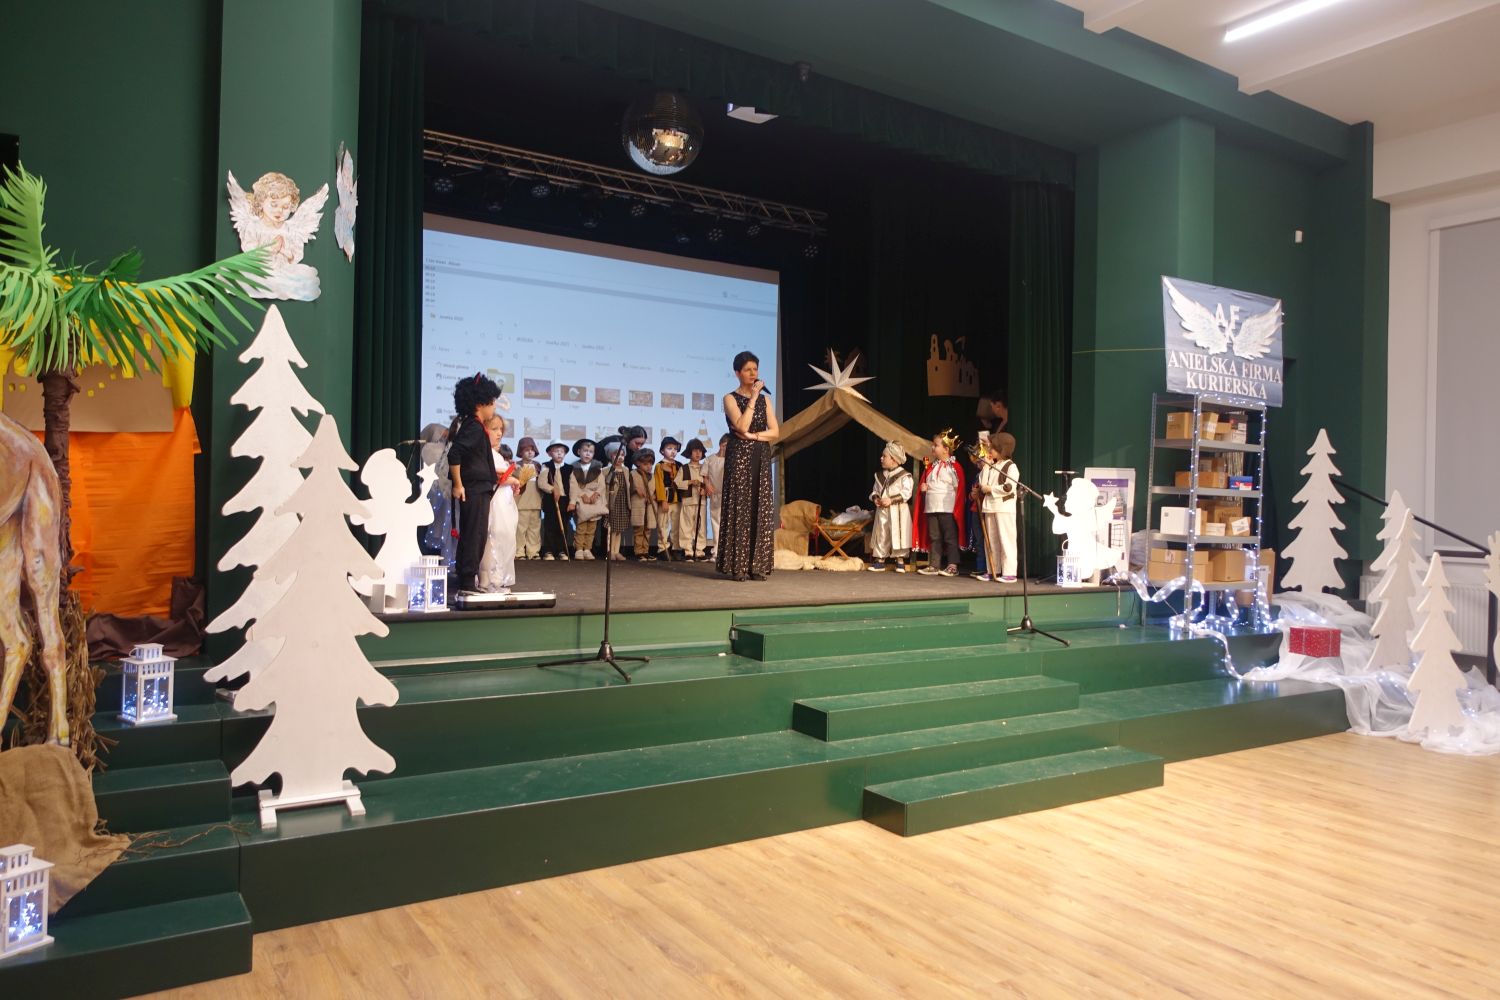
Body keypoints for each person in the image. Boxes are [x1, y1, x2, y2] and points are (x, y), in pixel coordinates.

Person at [716, 351, 778, 581]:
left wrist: (754, 437)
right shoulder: (730, 398)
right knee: (740, 508)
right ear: (737, 373)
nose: (753, 373)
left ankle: (756, 566)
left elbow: (775, 431)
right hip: (739, 457)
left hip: (760, 455)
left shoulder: (766, 400)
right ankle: (738, 566)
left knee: (759, 507)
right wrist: (752, 398)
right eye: (748, 370)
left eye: (755, 369)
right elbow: (741, 425)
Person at [447, 373, 501, 592]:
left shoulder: (474, 425)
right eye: (492, 402)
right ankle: (467, 581)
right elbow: (455, 454)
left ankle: (467, 580)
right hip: (474, 488)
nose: (494, 406)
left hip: (478, 487)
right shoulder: (474, 427)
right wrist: (458, 485)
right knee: (474, 535)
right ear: (480, 403)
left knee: (474, 534)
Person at [914, 429, 965, 577]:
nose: (933, 448)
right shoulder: (931, 467)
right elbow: (927, 484)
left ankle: (952, 565)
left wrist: (956, 507)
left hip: (947, 508)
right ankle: (934, 565)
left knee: (950, 537)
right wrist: (923, 489)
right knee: (934, 537)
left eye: (936, 445)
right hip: (931, 507)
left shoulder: (953, 468)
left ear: (946, 449)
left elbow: (959, 488)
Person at [478, 414, 520, 593]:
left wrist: (513, 484)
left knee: (504, 539)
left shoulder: (496, 454)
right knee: (493, 539)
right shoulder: (484, 454)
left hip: (504, 504)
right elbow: (494, 476)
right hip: (494, 505)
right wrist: (513, 480)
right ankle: (489, 581)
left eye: (501, 429)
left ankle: (497, 580)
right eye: (494, 429)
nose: (499, 433)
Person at [975, 431, 1019, 583]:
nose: (990, 450)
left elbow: (1009, 487)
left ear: (1002, 449)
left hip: (1004, 508)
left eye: (993, 448)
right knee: (991, 541)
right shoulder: (992, 466)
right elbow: (982, 483)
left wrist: (991, 489)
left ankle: (1010, 572)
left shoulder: (1011, 466)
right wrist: (986, 466)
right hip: (990, 507)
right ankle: (993, 570)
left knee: (1006, 540)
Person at [867, 441, 914, 573]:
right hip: (882, 510)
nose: (881, 458)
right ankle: (880, 560)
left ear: (893, 459)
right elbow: (875, 490)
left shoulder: (904, 475)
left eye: (884, 456)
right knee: (882, 532)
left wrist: (891, 500)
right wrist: (876, 498)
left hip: (898, 510)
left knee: (898, 532)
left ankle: (900, 560)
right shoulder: (879, 475)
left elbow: (907, 493)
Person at [675, 438, 711, 561]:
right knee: (686, 526)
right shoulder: (684, 468)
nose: (698, 453)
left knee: (701, 527)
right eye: (695, 451)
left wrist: (705, 490)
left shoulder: (705, 468)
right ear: (689, 452)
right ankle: (688, 551)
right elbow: (677, 483)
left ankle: (699, 551)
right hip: (688, 501)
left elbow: (709, 484)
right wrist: (690, 482)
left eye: (700, 451)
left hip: (701, 502)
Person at [570, 438, 605, 561]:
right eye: (585, 451)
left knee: (591, 527)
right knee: (581, 526)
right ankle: (579, 548)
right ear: (579, 452)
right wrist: (582, 494)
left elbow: (601, 485)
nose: (587, 454)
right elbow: (573, 485)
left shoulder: (598, 468)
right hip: (582, 500)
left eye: (590, 452)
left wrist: (596, 494)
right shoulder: (574, 468)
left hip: (594, 501)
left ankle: (587, 549)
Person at [539, 441, 575, 560]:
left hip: (565, 500)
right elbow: (541, 482)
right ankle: (548, 550)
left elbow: (574, 487)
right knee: (550, 525)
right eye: (556, 451)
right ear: (550, 453)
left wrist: (572, 502)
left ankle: (561, 550)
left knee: (563, 525)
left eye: (561, 451)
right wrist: (552, 489)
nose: (559, 453)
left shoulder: (570, 468)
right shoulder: (546, 466)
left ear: (565, 453)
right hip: (551, 500)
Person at [512, 437, 543, 559]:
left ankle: (533, 552)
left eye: (532, 450)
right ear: (520, 452)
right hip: (521, 503)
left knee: (534, 529)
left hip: (536, 503)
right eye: (526, 450)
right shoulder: (516, 466)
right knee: (520, 529)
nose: (530, 452)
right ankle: (519, 551)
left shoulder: (538, 466)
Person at [654, 436, 683, 560]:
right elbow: (659, 484)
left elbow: (681, 482)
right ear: (662, 451)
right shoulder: (659, 466)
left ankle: (676, 548)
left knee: (676, 525)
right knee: (663, 524)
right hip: (665, 497)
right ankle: (663, 548)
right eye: (669, 448)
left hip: (677, 499)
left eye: (675, 449)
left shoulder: (679, 465)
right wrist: (663, 500)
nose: (673, 451)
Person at [603, 439, 632, 561]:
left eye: (622, 455)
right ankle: (610, 551)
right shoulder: (605, 470)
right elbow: (604, 488)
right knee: (612, 529)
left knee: (619, 529)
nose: (620, 457)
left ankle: (617, 551)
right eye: (617, 454)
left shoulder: (626, 470)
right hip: (612, 502)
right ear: (610, 455)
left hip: (622, 502)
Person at [629, 448, 658, 559]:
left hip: (649, 507)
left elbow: (656, 491)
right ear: (638, 463)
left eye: (650, 464)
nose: (649, 466)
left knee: (647, 530)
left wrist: (653, 497)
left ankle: (645, 551)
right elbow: (628, 489)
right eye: (645, 464)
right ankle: (638, 552)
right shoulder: (633, 474)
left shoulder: (653, 476)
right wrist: (636, 490)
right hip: (639, 506)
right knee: (639, 530)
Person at [704, 432, 728, 555]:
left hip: (727, 495)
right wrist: (707, 485)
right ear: (720, 445)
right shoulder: (710, 459)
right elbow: (705, 475)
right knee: (715, 522)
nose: (726, 449)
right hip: (715, 494)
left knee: (726, 523)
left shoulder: (730, 460)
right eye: (725, 445)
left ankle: (726, 551)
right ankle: (717, 550)